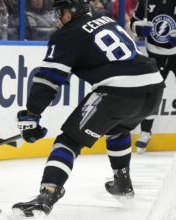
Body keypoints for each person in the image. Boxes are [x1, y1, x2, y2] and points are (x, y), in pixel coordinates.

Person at [12, 0, 165, 218]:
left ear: (72, 11)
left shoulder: (67, 35)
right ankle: (122, 182)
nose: (57, 17)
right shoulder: (107, 20)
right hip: (153, 88)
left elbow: (47, 80)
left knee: (68, 141)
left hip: (118, 91)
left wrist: (32, 115)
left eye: (61, 11)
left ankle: (48, 194)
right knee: (117, 128)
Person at [130, 0, 176, 153]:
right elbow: (133, 23)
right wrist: (138, 29)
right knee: (151, 95)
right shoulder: (146, 1)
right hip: (154, 55)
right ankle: (145, 132)